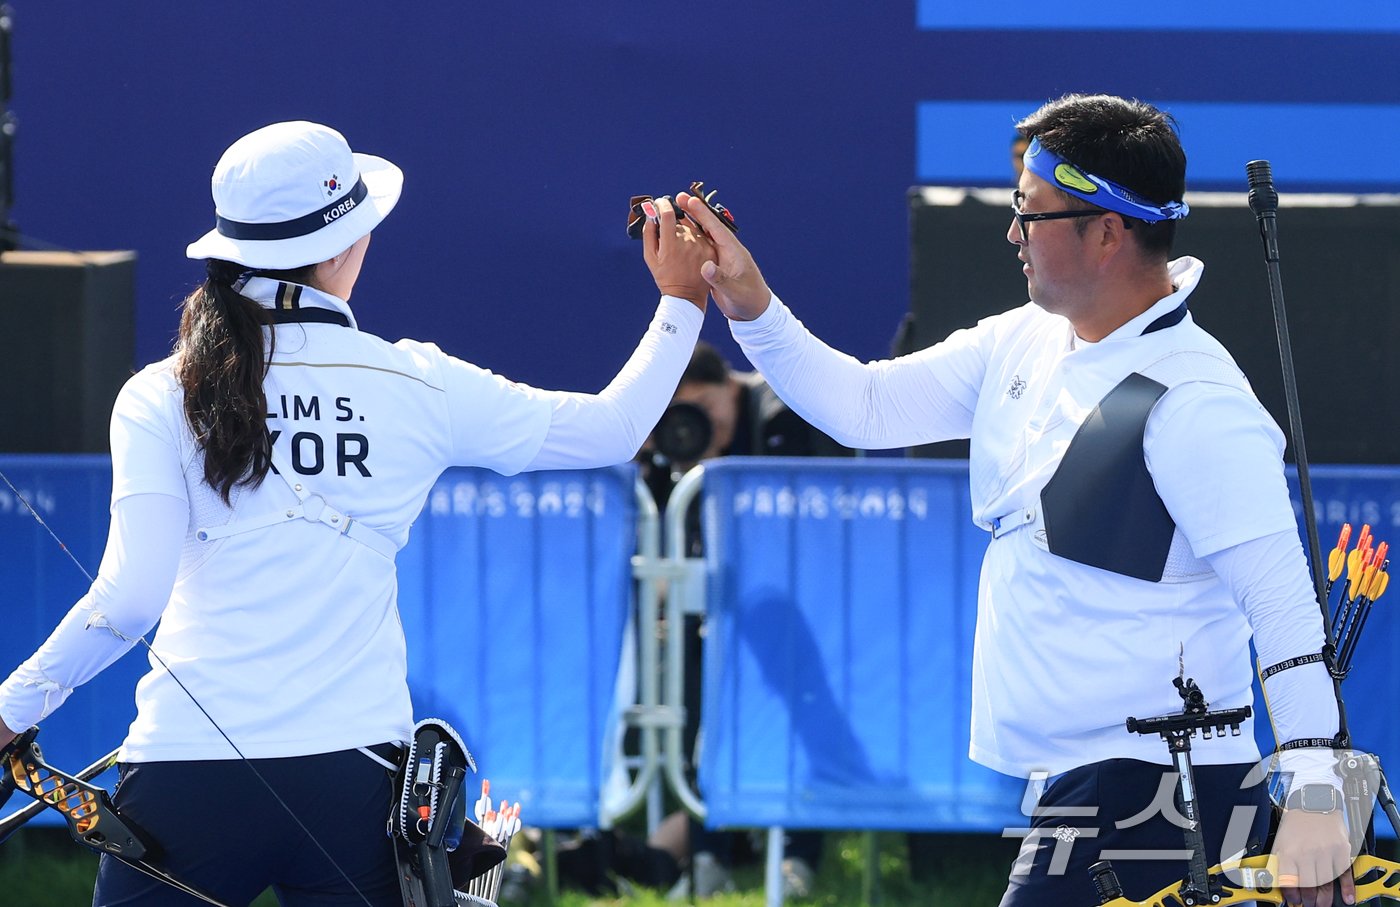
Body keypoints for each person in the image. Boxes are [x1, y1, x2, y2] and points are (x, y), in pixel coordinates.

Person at [0, 121, 712, 906]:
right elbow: (613, 429)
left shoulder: (159, 390)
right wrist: (682, 300)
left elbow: (130, 600)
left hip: (185, 772)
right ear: (340, 247)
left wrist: (11, 709)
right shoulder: (416, 381)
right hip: (355, 782)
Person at [669, 94, 1355, 907]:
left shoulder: (1199, 403)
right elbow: (866, 406)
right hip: (1088, 786)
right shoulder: (1020, 338)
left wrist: (1314, 791)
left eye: (1028, 213)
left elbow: (1283, 608)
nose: (1011, 232)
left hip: (1167, 793)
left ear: (1106, 229)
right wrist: (750, 301)